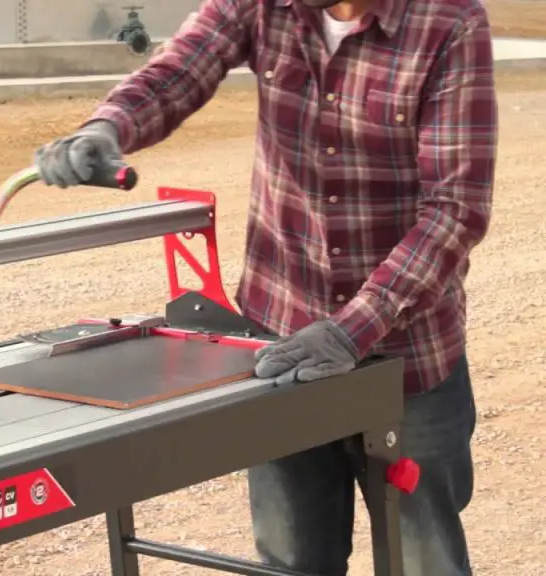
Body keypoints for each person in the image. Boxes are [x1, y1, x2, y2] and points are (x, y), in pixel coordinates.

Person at [33, 0, 498, 573]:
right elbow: (179, 71)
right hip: (283, 346)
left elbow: (456, 210)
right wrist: (109, 125)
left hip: (409, 360)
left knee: (425, 562)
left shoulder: (448, 21)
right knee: (291, 560)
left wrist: (353, 329)